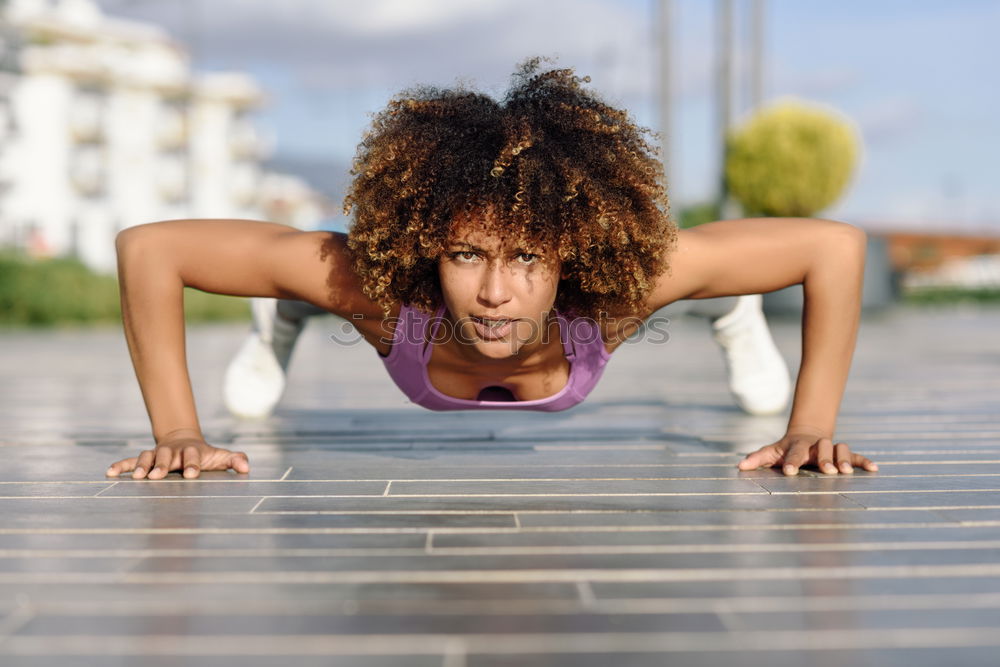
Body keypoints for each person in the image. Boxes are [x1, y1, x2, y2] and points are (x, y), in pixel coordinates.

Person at [105, 59, 877, 481]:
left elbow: (833, 248)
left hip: (625, 297)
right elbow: (151, 248)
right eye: (466, 253)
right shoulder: (377, 289)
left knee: (696, 277)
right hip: (363, 297)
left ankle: (728, 310)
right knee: (315, 276)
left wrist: (810, 427)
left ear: (567, 251)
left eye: (528, 257)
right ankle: (286, 313)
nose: (496, 293)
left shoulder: (618, 289)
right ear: (427, 249)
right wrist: (178, 431)